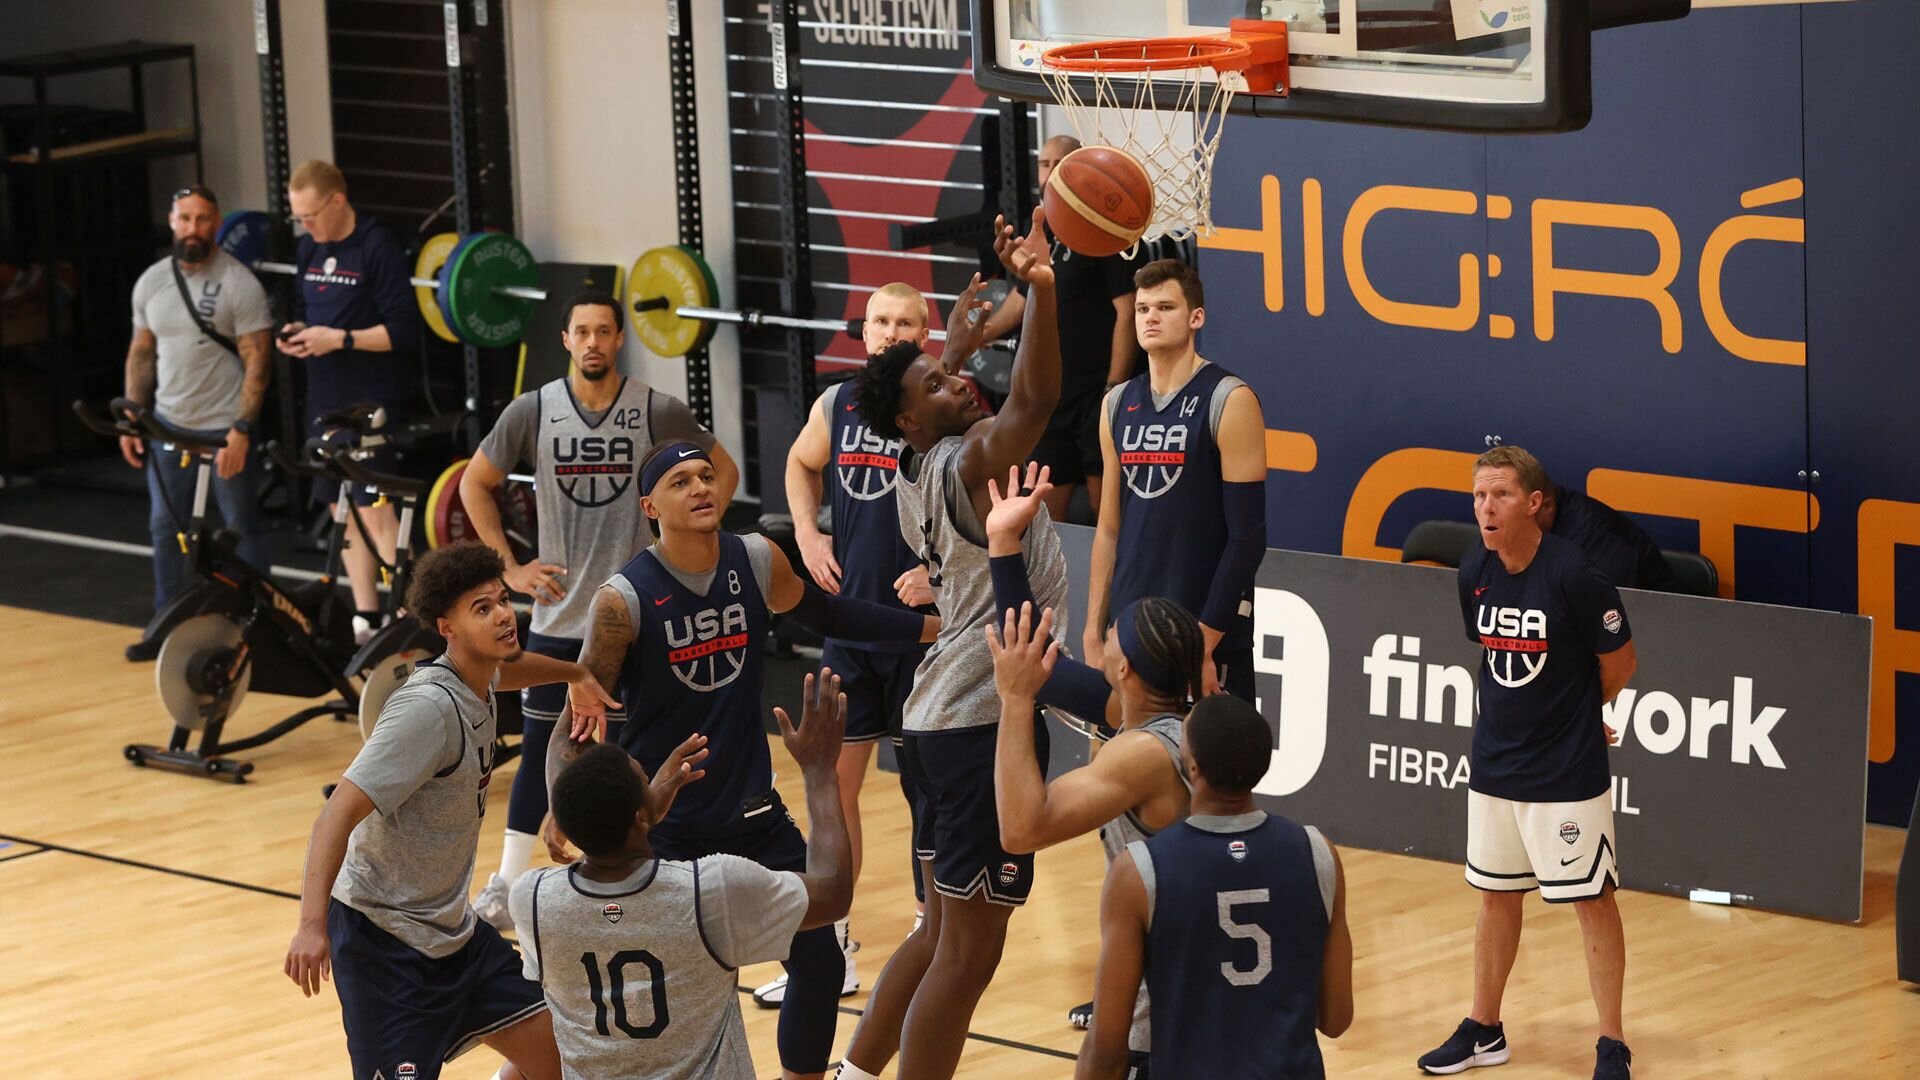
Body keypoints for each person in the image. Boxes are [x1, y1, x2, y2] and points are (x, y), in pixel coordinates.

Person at [544, 441, 938, 1080]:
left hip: (753, 812)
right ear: (651, 505)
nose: (701, 487)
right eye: (680, 481)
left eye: (706, 476)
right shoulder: (623, 600)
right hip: (660, 826)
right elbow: (572, 731)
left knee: (820, 961)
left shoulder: (755, 558)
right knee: (677, 991)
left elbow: (832, 613)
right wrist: (567, 804)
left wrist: (933, 628)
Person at [834, 209, 1068, 1080]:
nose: (958, 388)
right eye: (936, 387)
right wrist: (1041, 288)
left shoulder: (909, 467)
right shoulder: (967, 463)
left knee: (937, 930)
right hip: (977, 719)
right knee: (968, 953)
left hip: (933, 719)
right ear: (913, 420)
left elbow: (933, 410)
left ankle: (855, 1075)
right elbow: (1036, 403)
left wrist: (955, 360)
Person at [282, 541, 619, 1080]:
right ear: (448, 629)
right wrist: (310, 926)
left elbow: (510, 671)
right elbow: (336, 815)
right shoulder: (427, 711)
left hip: (453, 932)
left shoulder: (479, 677)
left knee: (564, 1060)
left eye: (502, 600)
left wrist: (575, 675)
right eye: (481, 610)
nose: (503, 615)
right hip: (383, 943)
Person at [459, 288, 737, 931]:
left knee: (645, 748)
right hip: (559, 620)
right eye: (581, 331)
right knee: (541, 751)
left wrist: (694, 537)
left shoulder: (655, 408)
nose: (592, 342)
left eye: (604, 331)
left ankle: (658, 873)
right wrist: (509, 567)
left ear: (618, 340)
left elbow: (721, 469)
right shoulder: (533, 410)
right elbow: (476, 482)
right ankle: (505, 883)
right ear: (566, 340)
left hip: (639, 614)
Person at [769, 278, 993, 1008]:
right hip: (853, 629)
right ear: (862, 332)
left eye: (906, 322)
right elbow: (801, 465)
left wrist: (942, 574)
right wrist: (806, 532)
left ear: (926, 336)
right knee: (834, 787)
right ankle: (833, 947)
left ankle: (936, 934)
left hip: (929, 638)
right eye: (880, 321)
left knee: (929, 792)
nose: (892, 331)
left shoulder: (949, 413)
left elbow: (1003, 509)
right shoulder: (837, 404)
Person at [509, 665, 852, 1080]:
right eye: (643, 778)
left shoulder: (532, 899)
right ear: (641, 815)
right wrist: (819, 773)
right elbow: (833, 893)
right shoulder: (709, 890)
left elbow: (600, 852)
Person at [1419, 445, 1638, 1080]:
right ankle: (1484, 1027)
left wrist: (1576, 711)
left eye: (1502, 495)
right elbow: (1490, 660)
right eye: (1480, 496)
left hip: (1567, 771)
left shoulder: (1577, 574)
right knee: (1494, 896)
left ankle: (1612, 1043)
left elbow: (1620, 662)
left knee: (1592, 899)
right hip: (1493, 766)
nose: (1486, 508)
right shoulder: (1474, 570)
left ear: (1535, 505)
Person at [980, 461, 1208, 1051]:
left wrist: (1012, 699)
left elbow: (1022, 828)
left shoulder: (1143, 755)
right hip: (1205, 986)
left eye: (1109, 635)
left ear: (1124, 667)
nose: (1097, 640)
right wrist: (1003, 546)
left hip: (1170, 1004)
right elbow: (1042, 664)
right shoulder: (1178, 718)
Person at [1077, 694, 1354, 1079]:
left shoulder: (1140, 871)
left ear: (1192, 768)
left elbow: (1107, 1045)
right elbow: (1337, 1018)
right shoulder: (1318, 853)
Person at [1081, 259, 1267, 700]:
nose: (1150, 317)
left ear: (1195, 317)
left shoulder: (1230, 399)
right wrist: (1093, 629)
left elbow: (1248, 538)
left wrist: (1204, 641)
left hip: (1203, 631)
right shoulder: (1116, 404)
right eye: (1142, 308)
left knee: (1208, 768)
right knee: (1119, 766)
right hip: (1130, 630)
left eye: (1165, 307)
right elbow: (1109, 529)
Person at [978, 133, 1165, 523]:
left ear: (1078, 169)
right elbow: (1021, 299)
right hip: (1051, 395)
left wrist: (1113, 389)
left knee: (1105, 509)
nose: (1048, 173)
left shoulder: (1107, 232)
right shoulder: (1041, 230)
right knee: (1046, 513)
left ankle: (1115, 584)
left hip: (1095, 394)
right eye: (1043, 164)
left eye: (1057, 164)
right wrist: (976, 335)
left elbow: (1126, 310)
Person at [121, 185, 275, 656]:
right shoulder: (151, 282)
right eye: (185, 219)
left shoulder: (238, 283)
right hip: (169, 427)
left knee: (240, 527)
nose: (193, 228)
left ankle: (259, 630)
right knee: (166, 528)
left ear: (215, 224)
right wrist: (133, 417)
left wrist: (242, 430)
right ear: (172, 221)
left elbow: (259, 362)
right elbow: (142, 353)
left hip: (222, 430)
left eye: (203, 219)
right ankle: (167, 624)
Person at [278, 159, 424, 644]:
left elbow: (403, 331)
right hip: (324, 396)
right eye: (299, 217)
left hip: (368, 398)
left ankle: (409, 617)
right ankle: (366, 618)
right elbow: (304, 310)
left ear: (338, 201)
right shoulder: (308, 248)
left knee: (374, 509)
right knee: (340, 505)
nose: (307, 226)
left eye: (312, 215)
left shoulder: (375, 245)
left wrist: (339, 339)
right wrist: (298, 335)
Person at [1537, 481, 1679, 591]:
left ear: (1546, 506)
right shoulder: (1532, 529)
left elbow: (1607, 619)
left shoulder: (1595, 539)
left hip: (1658, 618)